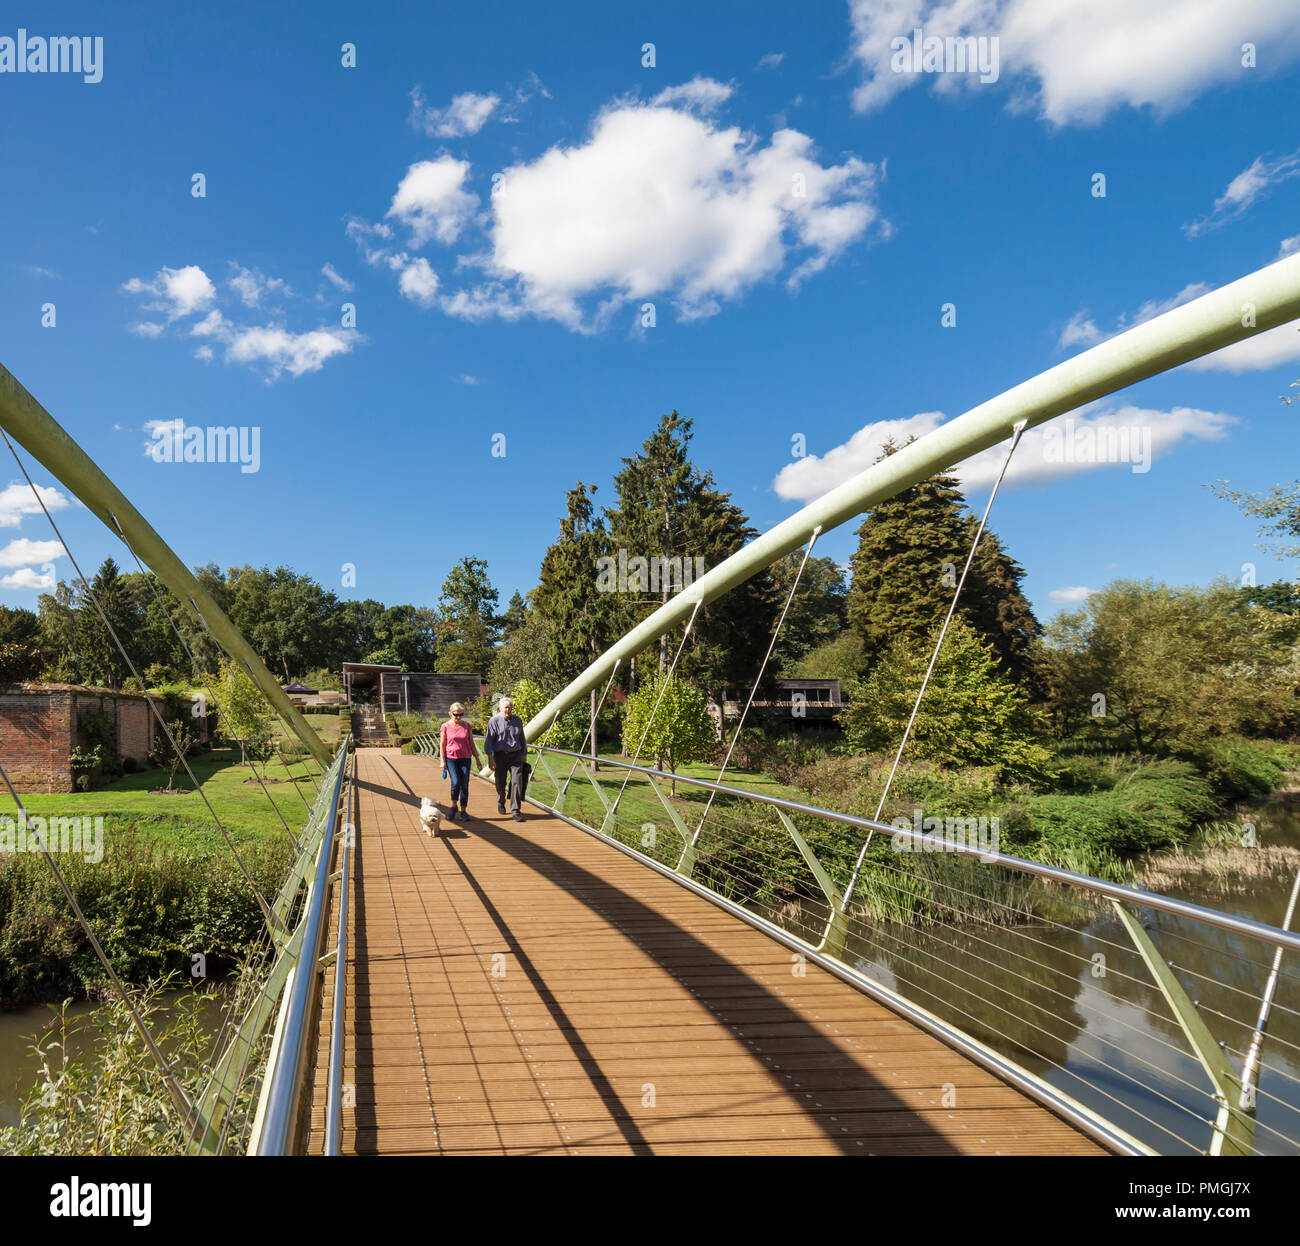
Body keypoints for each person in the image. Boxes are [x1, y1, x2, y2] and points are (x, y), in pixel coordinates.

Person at [483, 696, 528, 821]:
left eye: (509, 707)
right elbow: (489, 741)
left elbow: (522, 739)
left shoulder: (517, 720)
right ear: (500, 708)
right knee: (500, 782)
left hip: (515, 755)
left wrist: (524, 755)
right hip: (500, 755)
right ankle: (501, 801)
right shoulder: (494, 721)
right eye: (505, 708)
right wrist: (490, 758)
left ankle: (515, 810)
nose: (507, 710)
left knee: (517, 782)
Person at [438, 702, 482, 821]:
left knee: (464, 784)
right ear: (450, 714)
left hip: (465, 758)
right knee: (456, 782)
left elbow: (471, 743)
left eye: (461, 715)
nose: (458, 717)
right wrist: (442, 761)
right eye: (456, 714)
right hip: (451, 758)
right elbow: (442, 745)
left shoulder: (467, 726)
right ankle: (453, 806)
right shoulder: (445, 726)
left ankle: (463, 810)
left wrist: (477, 759)